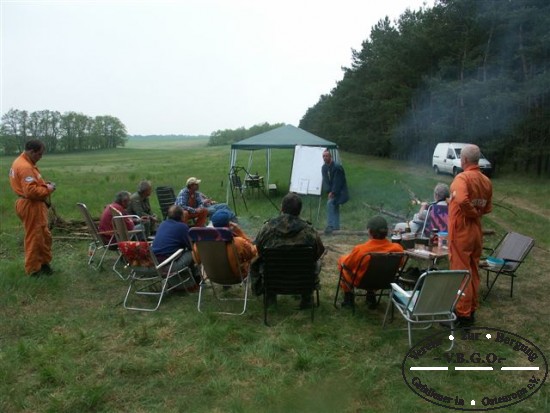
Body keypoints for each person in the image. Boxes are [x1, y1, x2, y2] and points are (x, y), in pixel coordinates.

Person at [250, 192, 325, 309]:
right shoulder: (309, 231)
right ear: (299, 210)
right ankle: (307, 299)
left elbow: (258, 249)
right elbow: (319, 252)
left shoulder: (267, 228)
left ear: (282, 208)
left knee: (258, 262)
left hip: (273, 277)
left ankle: (270, 298)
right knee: (315, 263)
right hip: (301, 278)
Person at [448, 144, 492, 327]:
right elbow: (487, 207)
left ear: (464, 160)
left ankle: (462, 314)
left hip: (462, 231)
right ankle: (471, 308)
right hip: (476, 231)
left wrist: (470, 212)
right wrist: (477, 212)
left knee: (460, 272)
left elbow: (462, 200)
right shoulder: (486, 181)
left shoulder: (462, 178)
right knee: (473, 270)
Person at [9, 139, 57, 276]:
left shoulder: (23, 162)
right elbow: (31, 192)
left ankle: (44, 265)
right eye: (39, 154)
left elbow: (31, 185)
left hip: (32, 204)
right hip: (31, 205)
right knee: (35, 237)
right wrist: (48, 189)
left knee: (43, 235)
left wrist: (43, 185)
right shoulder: (25, 167)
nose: (40, 157)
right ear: (31, 151)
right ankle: (33, 271)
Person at [338, 215, 404, 309]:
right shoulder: (398, 249)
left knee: (342, 262)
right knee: (376, 271)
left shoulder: (361, 250)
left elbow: (348, 265)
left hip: (362, 282)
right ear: (387, 231)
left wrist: (342, 259)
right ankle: (371, 295)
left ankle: (348, 298)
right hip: (385, 281)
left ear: (369, 231)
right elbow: (399, 265)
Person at [152, 205, 200, 285]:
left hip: (155, 263)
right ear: (182, 216)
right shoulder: (182, 227)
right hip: (167, 265)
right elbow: (190, 246)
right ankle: (197, 279)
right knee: (194, 251)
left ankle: (190, 279)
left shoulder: (163, 224)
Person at [207, 209, 257, 279]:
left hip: (215, 276)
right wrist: (238, 231)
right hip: (236, 276)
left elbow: (197, 259)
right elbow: (252, 253)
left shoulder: (205, 243)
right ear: (229, 224)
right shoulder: (238, 242)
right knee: (257, 249)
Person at [321, 149, 349, 234]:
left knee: (330, 204)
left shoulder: (337, 167)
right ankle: (336, 228)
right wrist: (329, 191)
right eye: (323, 156)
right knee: (334, 206)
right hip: (333, 191)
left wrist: (333, 192)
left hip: (341, 191)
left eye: (326, 156)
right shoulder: (324, 167)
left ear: (330, 157)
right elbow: (326, 181)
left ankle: (330, 226)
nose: (325, 158)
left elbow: (338, 181)